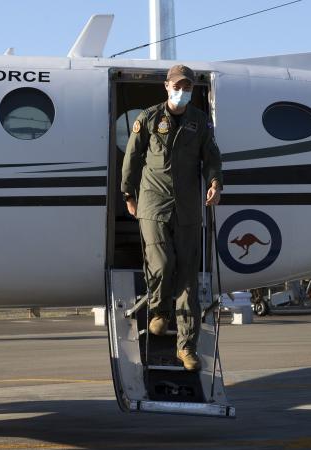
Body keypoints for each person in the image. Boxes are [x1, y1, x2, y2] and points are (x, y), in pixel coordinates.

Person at [121, 64, 223, 371]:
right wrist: (128, 193)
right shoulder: (149, 118)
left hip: (188, 208)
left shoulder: (200, 123)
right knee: (163, 265)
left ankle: (186, 347)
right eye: (178, 86)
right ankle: (158, 311)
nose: (182, 92)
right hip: (153, 204)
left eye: (188, 88)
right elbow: (132, 156)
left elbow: (212, 158)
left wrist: (215, 183)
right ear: (166, 87)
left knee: (188, 280)